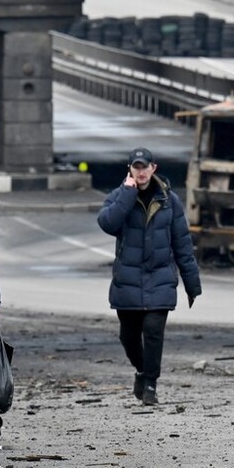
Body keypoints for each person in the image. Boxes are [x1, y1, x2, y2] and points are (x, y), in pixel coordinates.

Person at [97, 147, 202, 406]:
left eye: (145, 167)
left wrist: (192, 283)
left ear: (153, 168)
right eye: (136, 167)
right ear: (130, 170)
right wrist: (127, 194)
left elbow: (182, 244)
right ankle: (142, 371)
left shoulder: (169, 201)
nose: (141, 171)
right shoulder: (119, 196)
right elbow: (108, 223)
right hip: (128, 281)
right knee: (128, 337)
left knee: (153, 331)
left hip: (160, 278)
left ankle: (151, 384)